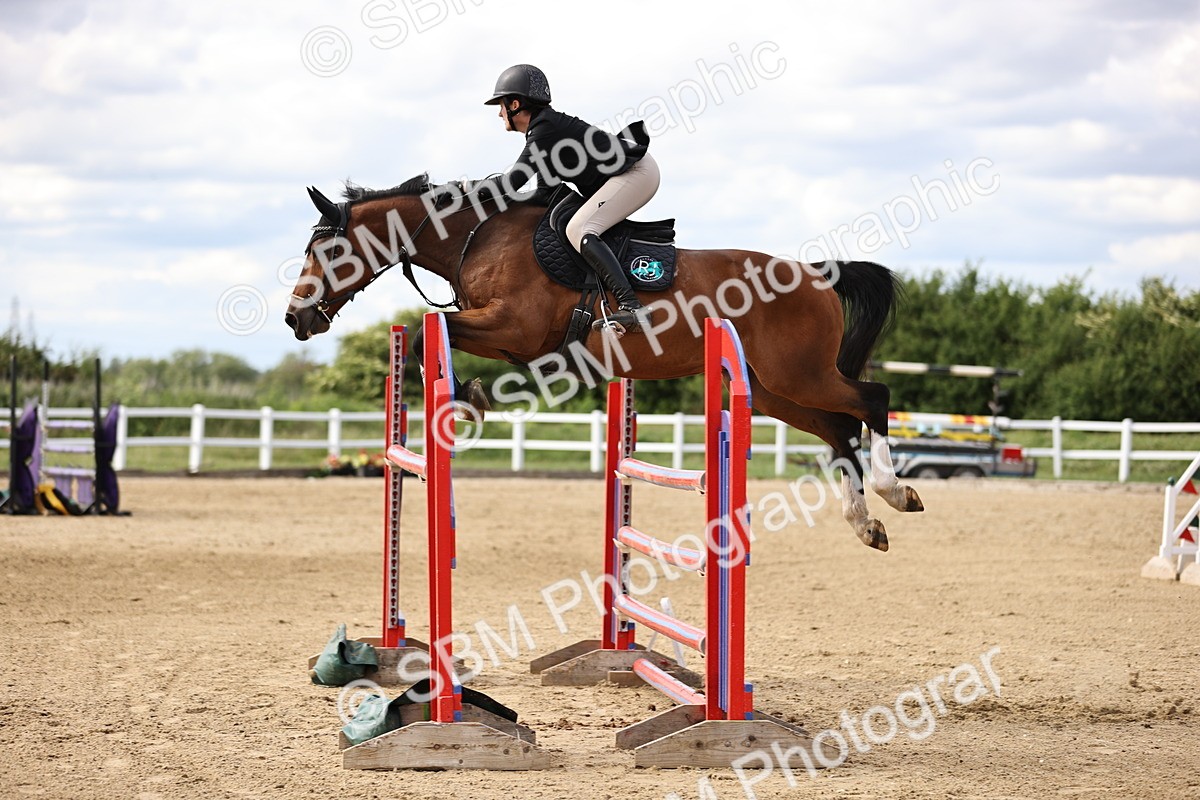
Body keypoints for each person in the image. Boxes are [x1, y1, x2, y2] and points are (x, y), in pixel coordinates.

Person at [485, 64, 660, 333]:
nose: (499, 113)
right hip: (628, 173)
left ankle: (632, 307)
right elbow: (544, 193)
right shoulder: (544, 130)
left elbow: (512, 182)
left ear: (515, 104)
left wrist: (467, 189)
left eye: (501, 105)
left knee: (580, 228)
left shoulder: (544, 129)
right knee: (574, 225)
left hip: (636, 173)